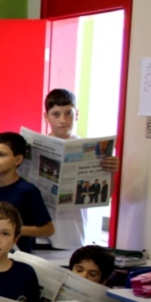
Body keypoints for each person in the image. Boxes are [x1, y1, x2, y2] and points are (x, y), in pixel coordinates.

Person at [37, 89, 120, 250]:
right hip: (39, 234)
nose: (63, 120)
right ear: (46, 117)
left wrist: (112, 171)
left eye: (68, 113)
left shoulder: (93, 150)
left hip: (72, 233)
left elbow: (104, 196)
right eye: (56, 114)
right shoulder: (36, 147)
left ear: (77, 114)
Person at [0, 132, 53, 253]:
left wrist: (13, 229)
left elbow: (48, 229)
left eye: (1, 155)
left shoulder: (28, 191)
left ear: (18, 159)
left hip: (18, 257)